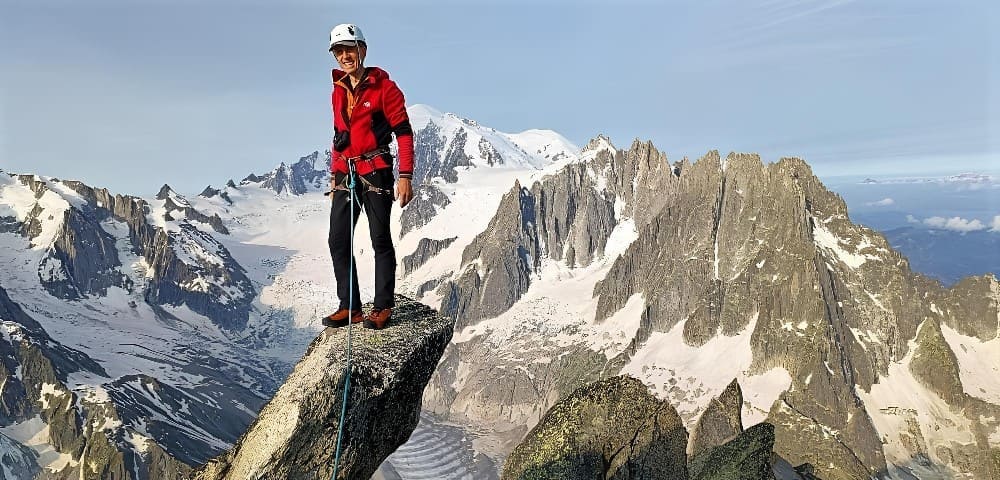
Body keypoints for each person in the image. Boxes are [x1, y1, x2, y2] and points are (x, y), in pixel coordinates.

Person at [323, 23, 414, 330]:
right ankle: (350, 306)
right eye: (339, 51)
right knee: (338, 239)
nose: (344, 56)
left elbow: (403, 132)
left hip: (377, 171)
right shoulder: (337, 91)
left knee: (379, 238)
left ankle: (383, 306)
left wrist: (405, 176)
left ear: (362, 49)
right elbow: (339, 135)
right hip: (346, 173)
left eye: (349, 49)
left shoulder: (385, 88)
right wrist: (335, 175)